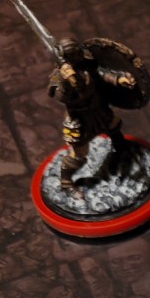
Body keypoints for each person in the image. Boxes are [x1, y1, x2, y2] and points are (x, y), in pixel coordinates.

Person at [48, 37, 136, 197]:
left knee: (113, 125)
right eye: (73, 54)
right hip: (79, 118)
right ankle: (66, 183)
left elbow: (101, 74)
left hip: (98, 109)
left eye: (78, 52)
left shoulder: (87, 65)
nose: (78, 56)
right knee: (79, 154)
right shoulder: (59, 76)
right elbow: (61, 96)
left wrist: (118, 79)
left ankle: (121, 151)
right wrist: (66, 80)